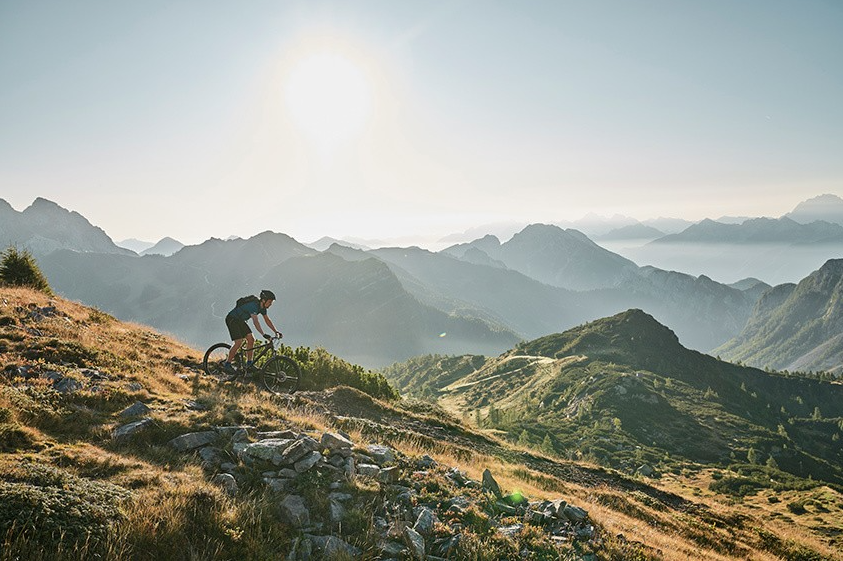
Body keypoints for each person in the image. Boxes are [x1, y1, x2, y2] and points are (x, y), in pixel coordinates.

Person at [223, 289, 281, 374]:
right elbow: (255, 321)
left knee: (251, 339)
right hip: (232, 319)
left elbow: (267, 320)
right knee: (238, 342)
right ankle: (227, 365)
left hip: (240, 321)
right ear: (263, 300)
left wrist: (276, 331)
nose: (270, 304)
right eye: (269, 302)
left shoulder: (262, 308)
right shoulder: (253, 306)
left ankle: (249, 364)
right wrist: (263, 334)